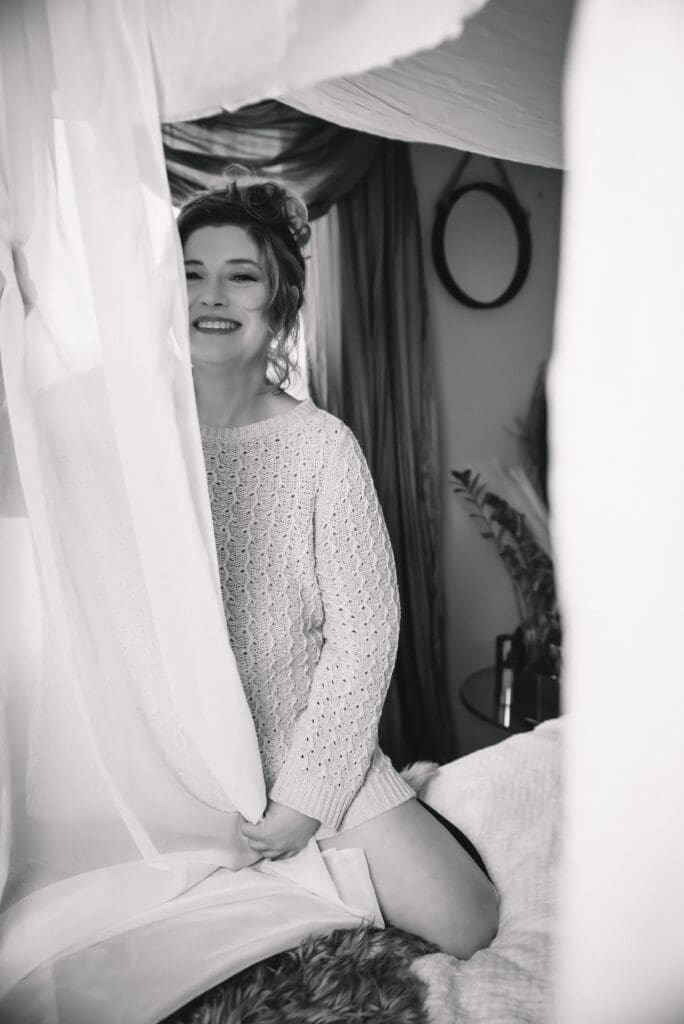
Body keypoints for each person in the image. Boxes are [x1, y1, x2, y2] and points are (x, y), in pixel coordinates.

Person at [177, 175, 498, 959]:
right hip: (182, 763)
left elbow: (364, 640)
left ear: (280, 302)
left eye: (240, 275)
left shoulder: (323, 447)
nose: (211, 295)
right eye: (190, 273)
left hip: (309, 751)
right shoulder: (131, 435)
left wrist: (306, 800)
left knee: (471, 919)